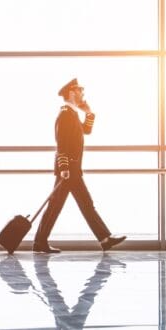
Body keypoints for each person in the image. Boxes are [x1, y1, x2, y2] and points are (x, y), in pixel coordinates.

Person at [32, 78, 126, 253]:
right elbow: (61, 143)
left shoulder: (72, 113)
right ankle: (104, 238)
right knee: (72, 205)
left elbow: (87, 130)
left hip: (72, 169)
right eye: (80, 90)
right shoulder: (65, 113)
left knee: (72, 204)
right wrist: (65, 168)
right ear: (71, 92)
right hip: (69, 170)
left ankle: (40, 242)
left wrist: (89, 113)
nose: (83, 93)